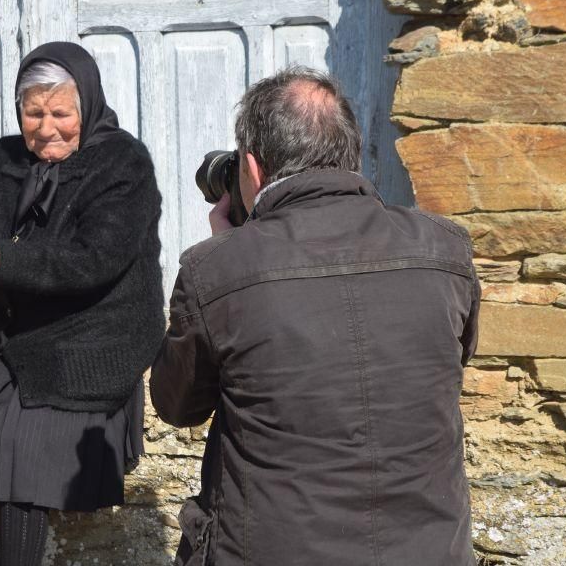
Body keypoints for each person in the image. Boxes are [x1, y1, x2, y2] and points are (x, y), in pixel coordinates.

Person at [150, 67, 480, 565]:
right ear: (350, 155)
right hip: (429, 550)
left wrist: (226, 258)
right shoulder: (446, 249)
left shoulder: (214, 270)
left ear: (254, 170)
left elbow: (178, 405)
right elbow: (454, 359)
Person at [0, 42, 165, 566]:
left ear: (87, 107)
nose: (46, 128)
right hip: (11, 333)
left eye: (61, 113)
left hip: (92, 334)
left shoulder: (123, 163)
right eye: (33, 112)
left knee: (23, 445)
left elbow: (92, 261)